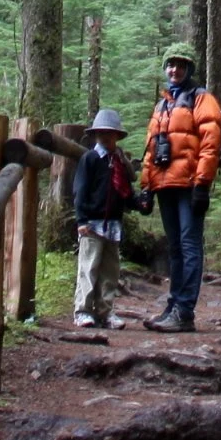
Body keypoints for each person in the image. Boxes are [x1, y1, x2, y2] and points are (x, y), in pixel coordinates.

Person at [141, 44, 221, 332]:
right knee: (175, 248)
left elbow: (211, 143)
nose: (173, 69)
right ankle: (173, 304)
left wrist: (202, 184)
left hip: (189, 185)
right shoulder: (162, 104)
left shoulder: (201, 99)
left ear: (189, 69)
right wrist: (146, 187)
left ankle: (184, 311)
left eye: (179, 64)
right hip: (165, 185)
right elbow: (150, 149)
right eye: (170, 65)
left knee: (189, 247)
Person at [72, 107, 133, 329]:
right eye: (101, 133)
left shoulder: (120, 162)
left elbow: (126, 191)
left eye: (110, 132)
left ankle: (105, 311)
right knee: (88, 267)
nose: (106, 137)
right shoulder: (90, 159)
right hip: (92, 224)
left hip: (113, 224)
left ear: (117, 135)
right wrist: (81, 220)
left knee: (110, 270)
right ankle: (83, 310)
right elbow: (80, 191)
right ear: (95, 135)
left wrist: (139, 203)